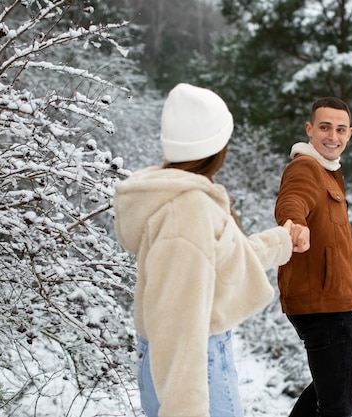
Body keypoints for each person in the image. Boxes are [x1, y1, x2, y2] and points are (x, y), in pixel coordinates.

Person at [113, 83, 309, 417]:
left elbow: (219, 260)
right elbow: (178, 320)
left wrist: (280, 241)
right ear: (216, 145)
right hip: (192, 365)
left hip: (180, 359)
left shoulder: (178, 198)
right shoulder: (188, 212)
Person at [274, 97, 352, 417]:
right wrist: (293, 224)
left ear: (349, 133)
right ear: (309, 129)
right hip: (323, 304)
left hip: (335, 302)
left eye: (340, 129)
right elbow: (292, 199)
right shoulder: (306, 167)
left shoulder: (329, 173)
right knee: (337, 405)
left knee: (329, 394)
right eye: (325, 127)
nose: (332, 136)